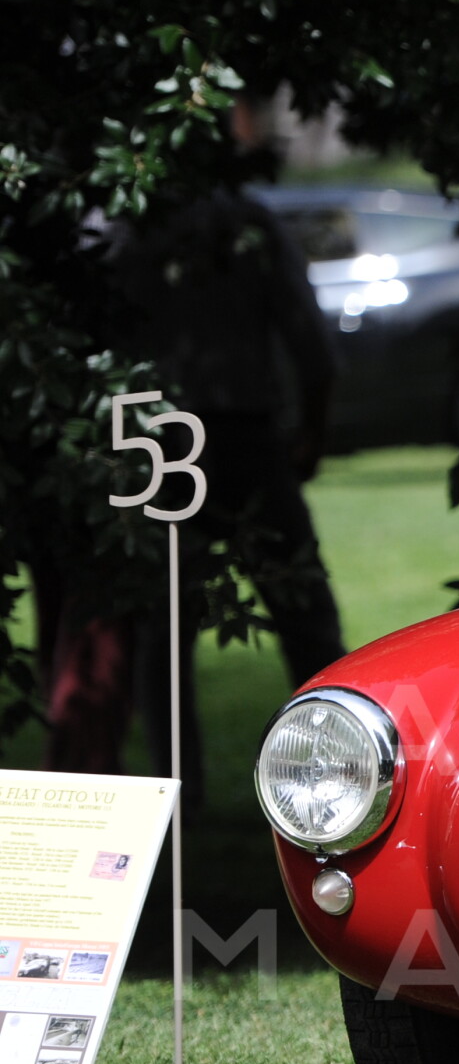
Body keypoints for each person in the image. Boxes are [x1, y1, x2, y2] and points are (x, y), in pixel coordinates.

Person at [42, 175, 345, 807]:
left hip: (150, 439)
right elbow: (310, 343)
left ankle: (180, 789)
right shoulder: (244, 220)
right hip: (236, 434)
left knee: (164, 626)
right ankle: (339, 776)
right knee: (301, 612)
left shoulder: (113, 222)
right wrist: (311, 431)